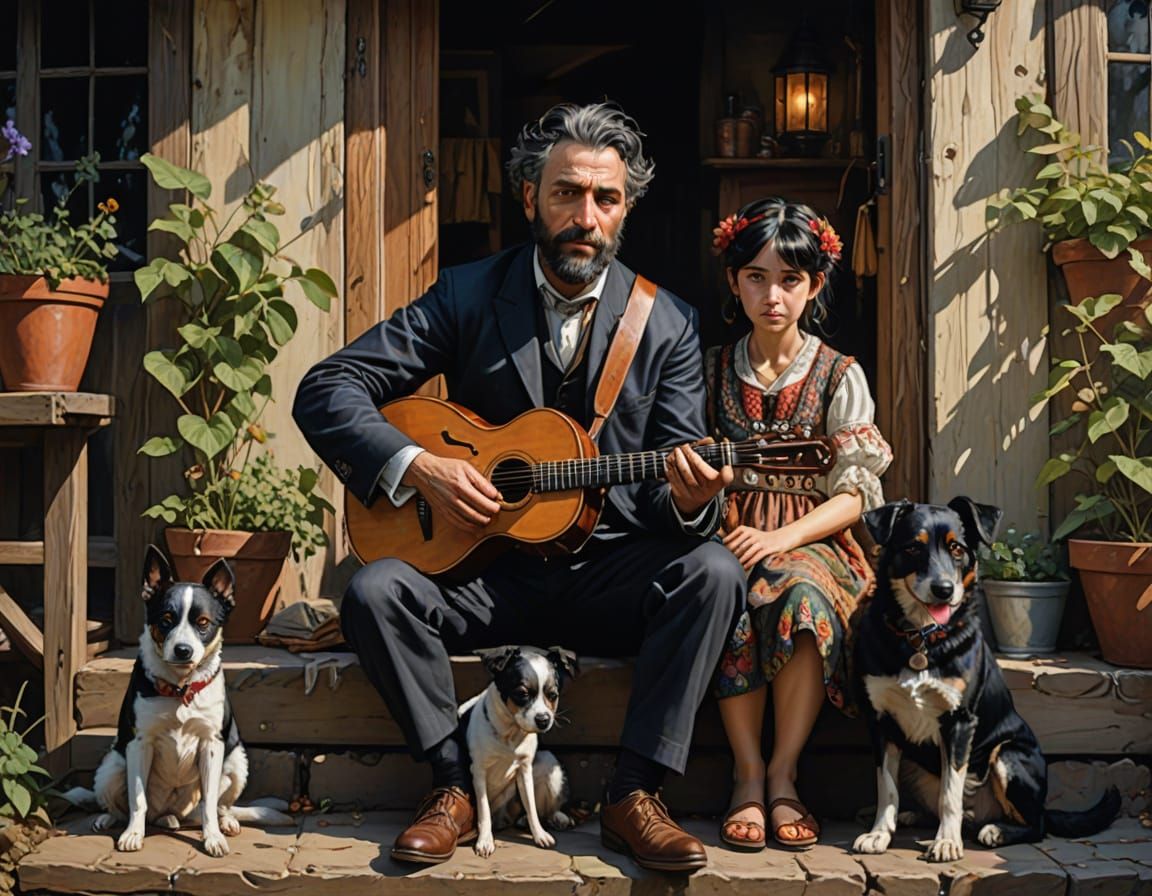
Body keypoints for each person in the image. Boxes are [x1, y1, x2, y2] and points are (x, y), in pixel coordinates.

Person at [292, 102, 745, 872]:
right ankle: (452, 784)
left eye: (605, 198)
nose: (585, 217)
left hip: (606, 575)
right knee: (374, 591)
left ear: (625, 209)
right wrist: (421, 467)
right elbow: (327, 388)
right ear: (531, 196)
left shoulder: (665, 323)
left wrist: (689, 499)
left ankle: (635, 794)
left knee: (714, 572)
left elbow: (667, 485)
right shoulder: (466, 295)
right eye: (567, 192)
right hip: (485, 575)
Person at [704, 198, 893, 852]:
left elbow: (858, 494)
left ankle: (784, 773)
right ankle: (746, 774)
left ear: (814, 285)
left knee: (799, 594)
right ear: (734, 282)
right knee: (724, 591)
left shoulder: (839, 374)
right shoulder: (709, 368)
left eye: (789, 279)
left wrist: (782, 538)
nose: (772, 296)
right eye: (756, 277)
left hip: (817, 538)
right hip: (729, 529)